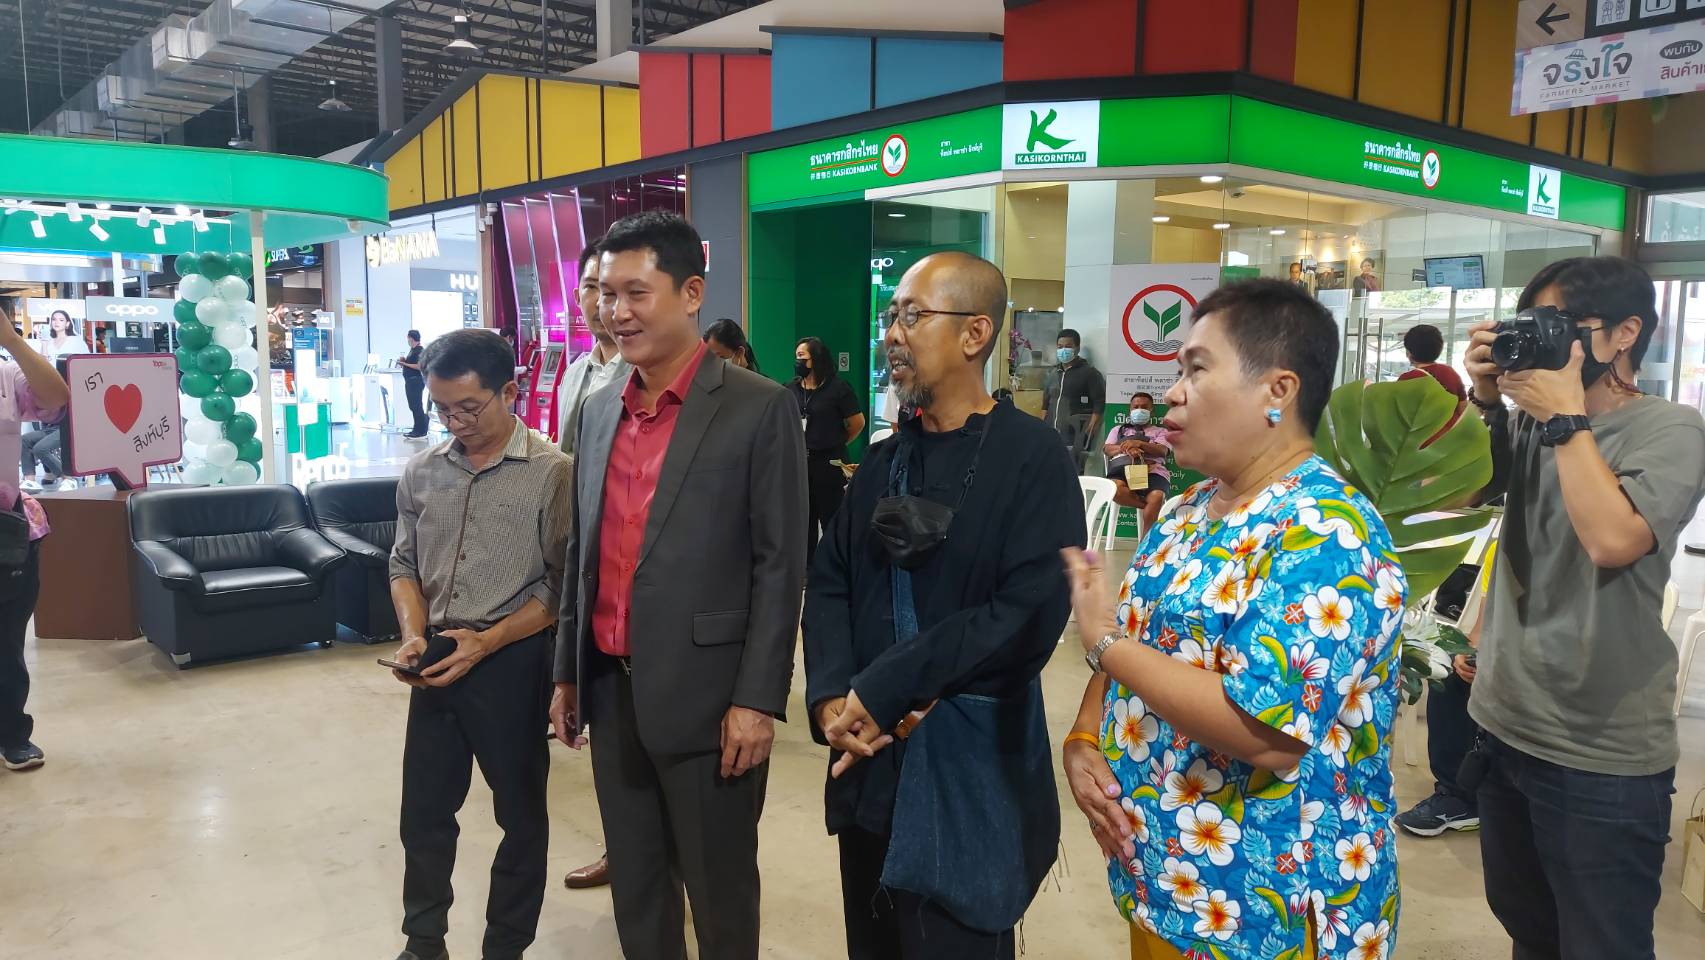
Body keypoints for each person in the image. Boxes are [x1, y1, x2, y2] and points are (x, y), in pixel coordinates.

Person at [1060, 279, 1405, 960]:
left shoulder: (1324, 532)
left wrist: (1102, 641)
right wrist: (1082, 739)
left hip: (1267, 907)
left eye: (1196, 369)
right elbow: (1138, 647)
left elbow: (1268, 734)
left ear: (1277, 390)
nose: (1172, 393)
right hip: (1167, 884)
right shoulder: (1190, 511)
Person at [804, 251, 1082, 959]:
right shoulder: (881, 461)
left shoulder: (1033, 459)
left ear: (974, 333)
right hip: (868, 762)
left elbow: (1027, 613)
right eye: (891, 316)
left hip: (965, 772)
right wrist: (831, 695)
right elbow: (830, 580)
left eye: (912, 316)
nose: (892, 334)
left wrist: (891, 685)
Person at [550, 211, 807, 960]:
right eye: (606, 294)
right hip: (610, 689)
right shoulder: (598, 410)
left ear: (691, 293)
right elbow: (581, 552)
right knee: (637, 887)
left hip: (710, 701)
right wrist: (567, 672)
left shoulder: (758, 406)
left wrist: (757, 700)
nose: (616, 312)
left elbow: (779, 566)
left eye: (637, 293)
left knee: (718, 894)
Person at [1463, 256, 1705, 960]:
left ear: (1625, 332)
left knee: (1601, 946)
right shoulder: (1530, 424)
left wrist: (1564, 417)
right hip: (1504, 724)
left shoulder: (1670, 428)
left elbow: (1611, 541)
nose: (1547, 339)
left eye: (1563, 323)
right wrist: (1484, 400)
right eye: (1533, 324)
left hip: (1598, 751)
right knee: (1530, 934)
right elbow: (1459, 499)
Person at [386, 328, 572, 960]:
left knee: (520, 817)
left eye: (469, 407)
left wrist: (487, 642)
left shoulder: (552, 472)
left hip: (513, 660)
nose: (455, 422)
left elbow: (559, 585)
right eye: (442, 409)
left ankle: (506, 946)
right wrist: (415, 637)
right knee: (424, 814)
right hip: (436, 656)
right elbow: (403, 564)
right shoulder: (422, 471)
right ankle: (423, 942)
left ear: (510, 392)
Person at [1, 310, 71, 772]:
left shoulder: (7, 374)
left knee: (7, 642)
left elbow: (56, 398)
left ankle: (12, 734)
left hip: (6, 529)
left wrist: (12, 340)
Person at [556, 239, 633, 462]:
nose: (600, 301)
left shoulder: (645, 374)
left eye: (610, 290)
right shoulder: (573, 373)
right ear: (577, 297)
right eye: (591, 287)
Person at [790, 336, 865, 562]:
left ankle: (833, 566)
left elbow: (857, 423)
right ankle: (807, 567)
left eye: (802, 356)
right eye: (796, 357)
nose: (798, 361)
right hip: (801, 463)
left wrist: (837, 442)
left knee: (832, 518)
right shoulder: (791, 388)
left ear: (816, 358)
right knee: (804, 519)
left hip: (829, 463)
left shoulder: (838, 389)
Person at [1103, 391, 1173, 530]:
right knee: (1114, 489)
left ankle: (1146, 540)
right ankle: (1148, 506)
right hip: (1122, 470)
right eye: (1136, 407)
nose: (1139, 410)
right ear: (1130, 410)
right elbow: (1107, 449)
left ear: (1151, 410)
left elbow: (1163, 450)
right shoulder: (1118, 430)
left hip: (1153, 472)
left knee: (1157, 496)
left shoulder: (1161, 432)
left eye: (1144, 407)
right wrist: (1127, 448)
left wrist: (1139, 444)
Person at [1042, 327, 1106, 472]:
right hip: (1052, 432)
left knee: (1073, 471)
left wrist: (1091, 428)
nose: (1063, 350)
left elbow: (1099, 402)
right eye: (1060, 347)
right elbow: (1045, 402)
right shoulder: (1053, 373)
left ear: (1077, 348)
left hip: (1075, 433)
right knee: (1051, 470)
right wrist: (1043, 425)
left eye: (1068, 346)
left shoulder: (1089, 373)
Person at [399, 330, 428, 440]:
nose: (408, 341)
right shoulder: (412, 350)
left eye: (408, 338)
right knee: (413, 406)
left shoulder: (419, 350)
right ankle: (418, 428)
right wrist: (404, 362)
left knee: (416, 406)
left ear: (411, 338)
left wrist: (405, 364)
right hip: (410, 381)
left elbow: (419, 366)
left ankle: (420, 430)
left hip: (415, 381)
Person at [18, 423, 62, 491]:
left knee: (39, 449)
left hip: (65, 427)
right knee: (25, 440)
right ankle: (30, 481)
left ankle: (68, 477)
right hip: (48, 428)